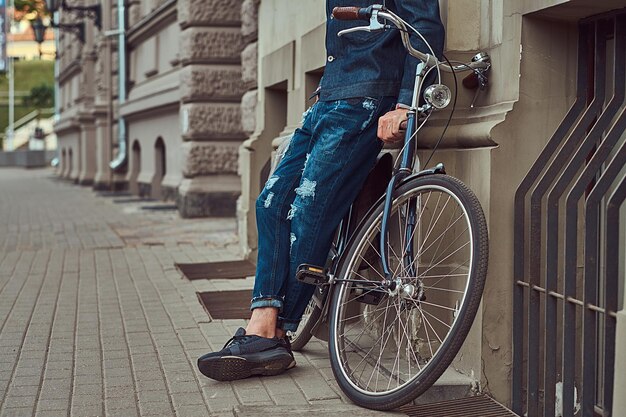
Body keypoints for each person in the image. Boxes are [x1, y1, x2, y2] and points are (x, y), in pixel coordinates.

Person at [197, 0, 445, 381]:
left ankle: (269, 330)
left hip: (367, 98)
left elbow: (424, 26)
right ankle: (269, 330)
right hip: (327, 97)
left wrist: (404, 105)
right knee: (270, 204)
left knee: (310, 207)